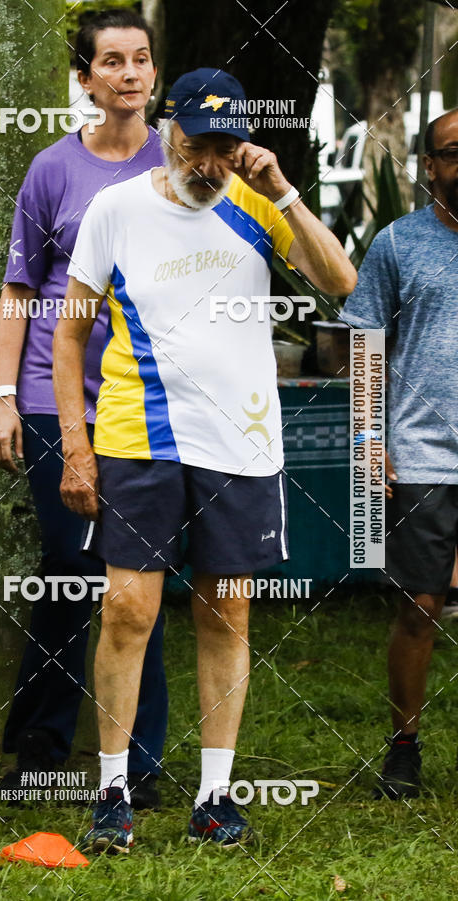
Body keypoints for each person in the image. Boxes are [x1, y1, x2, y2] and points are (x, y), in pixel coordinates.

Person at [54, 67, 357, 852]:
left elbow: (343, 285)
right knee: (128, 610)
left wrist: (284, 190)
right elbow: (69, 332)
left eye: (226, 148)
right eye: (197, 144)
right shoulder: (115, 209)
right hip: (137, 437)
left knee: (227, 610)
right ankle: (113, 791)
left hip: (241, 440)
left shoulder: (257, 204)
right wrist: (76, 445)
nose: (209, 163)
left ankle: (216, 796)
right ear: (167, 129)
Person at [0, 8, 168, 810]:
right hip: (50, 401)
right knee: (69, 573)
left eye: (140, 60)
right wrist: (0, 395)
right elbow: (20, 291)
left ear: (154, 72)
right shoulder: (53, 169)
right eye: (112, 62)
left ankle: (141, 762)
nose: (128, 74)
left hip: (148, 408)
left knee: (142, 581)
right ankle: (40, 749)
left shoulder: (183, 161)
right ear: (86, 78)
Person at [341, 108, 458, 799]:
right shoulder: (397, 243)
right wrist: (367, 437)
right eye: (454, 153)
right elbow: (364, 348)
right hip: (421, 455)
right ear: (430, 166)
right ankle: (404, 744)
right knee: (419, 606)